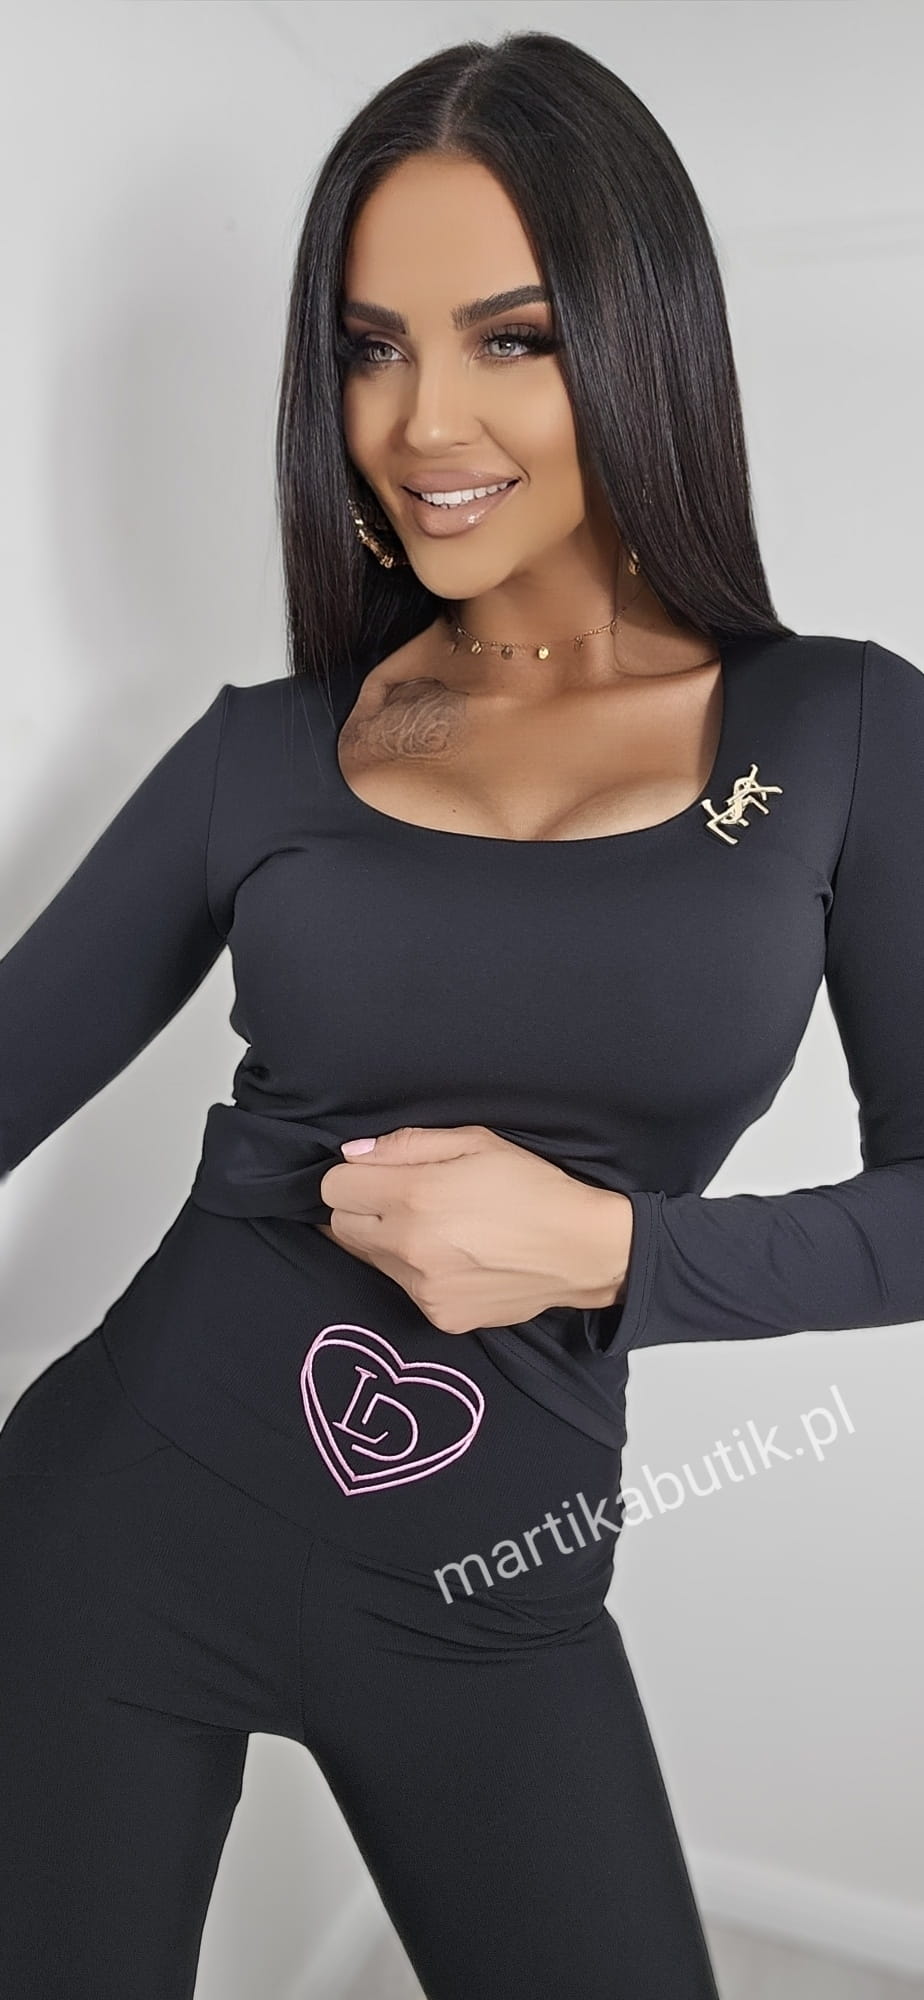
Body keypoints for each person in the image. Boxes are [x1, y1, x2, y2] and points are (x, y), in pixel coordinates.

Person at [2, 28, 922, 2000]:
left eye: (511, 337)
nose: (423, 419)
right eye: (368, 347)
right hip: (109, 1527)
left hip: (490, 1596)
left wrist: (613, 1253)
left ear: (642, 340)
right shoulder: (266, 750)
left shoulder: (841, 731)